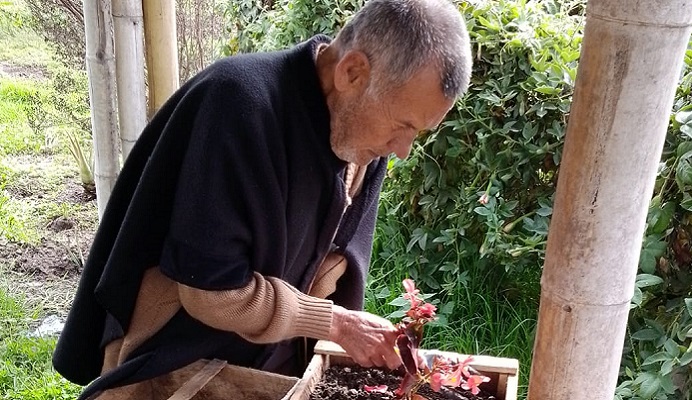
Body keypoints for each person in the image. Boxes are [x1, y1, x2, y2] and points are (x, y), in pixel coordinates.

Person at [53, 0, 472, 398]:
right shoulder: (239, 104)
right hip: (178, 357)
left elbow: (331, 267)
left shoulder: (362, 139)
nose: (402, 149)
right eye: (404, 125)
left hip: (275, 358)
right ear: (352, 72)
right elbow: (210, 294)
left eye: (418, 132)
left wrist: (346, 331)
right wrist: (337, 324)